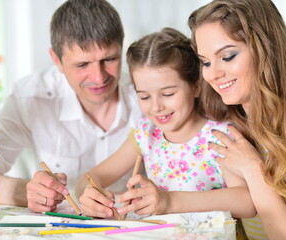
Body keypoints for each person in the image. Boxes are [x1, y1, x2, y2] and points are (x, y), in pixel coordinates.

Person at [0, 0, 142, 213]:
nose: (99, 77)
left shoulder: (146, 95)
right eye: (82, 65)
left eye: (109, 59)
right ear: (56, 60)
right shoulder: (32, 96)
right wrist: (25, 191)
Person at [76, 28, 254, 219]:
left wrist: (169, 201)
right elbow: (89, 179)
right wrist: (91, 195)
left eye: (168, 94)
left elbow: (246, 203)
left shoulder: (220, 136)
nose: (156, 107)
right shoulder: (146, 133)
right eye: (144, 96)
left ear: (195, 87)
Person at [188, 0, 286, 239]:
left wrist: (253, 168)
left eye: (228, 56)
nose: (213, 74)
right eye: (206, 62)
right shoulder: (231, 129)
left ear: (265, 48)